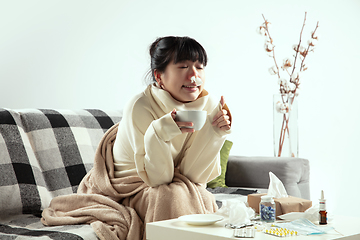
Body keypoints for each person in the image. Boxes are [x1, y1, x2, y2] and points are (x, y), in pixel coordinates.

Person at [42, 36, 232, 240]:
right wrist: (159, 132)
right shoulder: (140, 106)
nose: (194, 75)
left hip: (170, 184)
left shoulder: (209, 104)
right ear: (159, 76)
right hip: (127, 191)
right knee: (170, 195)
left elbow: (194, 177)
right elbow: (159, 179)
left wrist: (216, 133)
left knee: (197, 193)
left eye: (200, 67)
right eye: (183, 67)